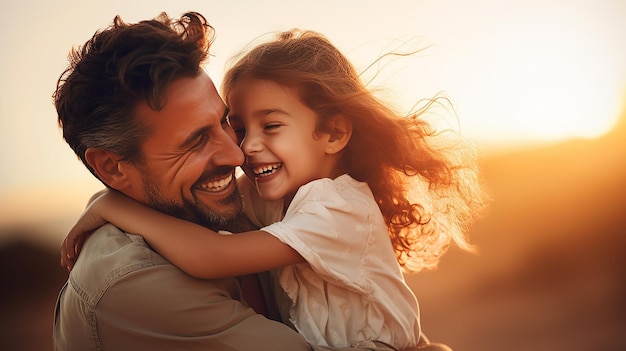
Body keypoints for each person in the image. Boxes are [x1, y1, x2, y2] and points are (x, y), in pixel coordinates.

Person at [61, 28, 486, 349]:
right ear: (112, 167)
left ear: (334, 133)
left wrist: (112, 205)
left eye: (227, 124)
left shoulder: (334, 207)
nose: (239, 151)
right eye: (239, 127)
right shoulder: (131, 287)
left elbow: (213, 256)